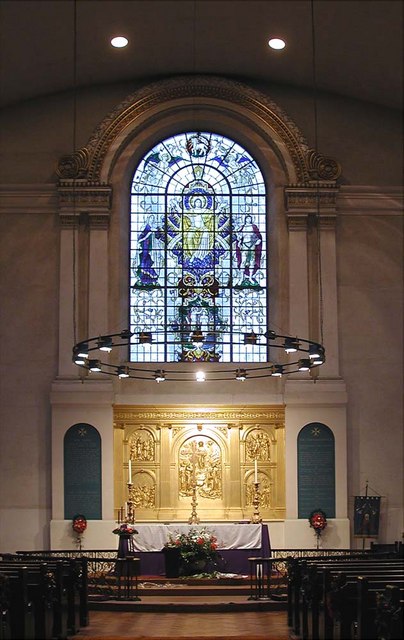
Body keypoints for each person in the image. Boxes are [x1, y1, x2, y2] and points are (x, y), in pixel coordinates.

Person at [134, 214, 163, 286]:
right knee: (144, 262)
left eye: (153, 220)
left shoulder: (154, 228)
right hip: (144, 248)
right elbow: (140, 238)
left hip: (152, 249)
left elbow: (158, 237)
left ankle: (153, 279)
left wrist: (157, 232)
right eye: (151, 219)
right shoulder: (145, 228)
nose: (152, 221)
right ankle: (143, 278)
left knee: (151, 262)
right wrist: (149, 233)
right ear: (148, 220)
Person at [234, 214, 262, 285]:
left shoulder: (254, 227)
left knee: (252, 262)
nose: (248, 220)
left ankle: (250, 278)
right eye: (247, 218)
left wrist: (258, 240)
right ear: (245, 219)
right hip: (244, 246)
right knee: (243, 262)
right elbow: (240, 237)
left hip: (252, 246)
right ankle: (241, 278)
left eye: (250, 218)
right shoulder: (242, 227)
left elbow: (258, 236)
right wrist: (238, 236)